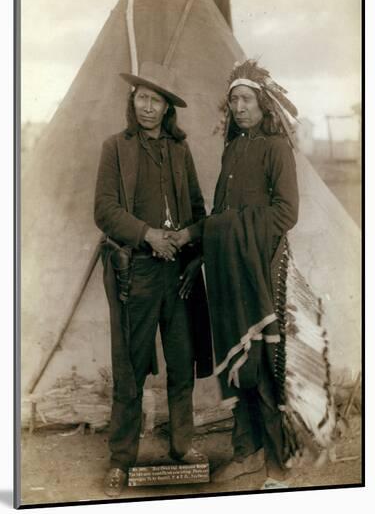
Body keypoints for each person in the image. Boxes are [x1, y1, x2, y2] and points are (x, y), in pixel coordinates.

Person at [94, 61, 212, 497]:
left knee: (182, 366)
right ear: (133, 101)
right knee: (129, 370)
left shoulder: (180, 151)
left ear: (166, 109)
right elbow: (105, 210)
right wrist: (148, 235)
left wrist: (184, 237)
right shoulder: (115, 148)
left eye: (156, 100)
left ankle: (182, 447)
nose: (147, 106)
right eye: (141, 97)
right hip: (137, 274)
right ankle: (121, 460)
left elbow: (199, 214)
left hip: (177, 276)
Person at [204, 60, 299, 483]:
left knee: (262, 359)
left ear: (263, 103)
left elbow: (286, 212)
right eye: (234, 100)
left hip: (260, 265)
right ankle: (247, 451)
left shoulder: (276, 147)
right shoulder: (231, 148)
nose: (240, 107)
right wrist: (216, 238)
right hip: (228, 267)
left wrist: (234, 232)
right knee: (236, 359)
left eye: (247, 99)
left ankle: (278, 461)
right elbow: (218, 212)